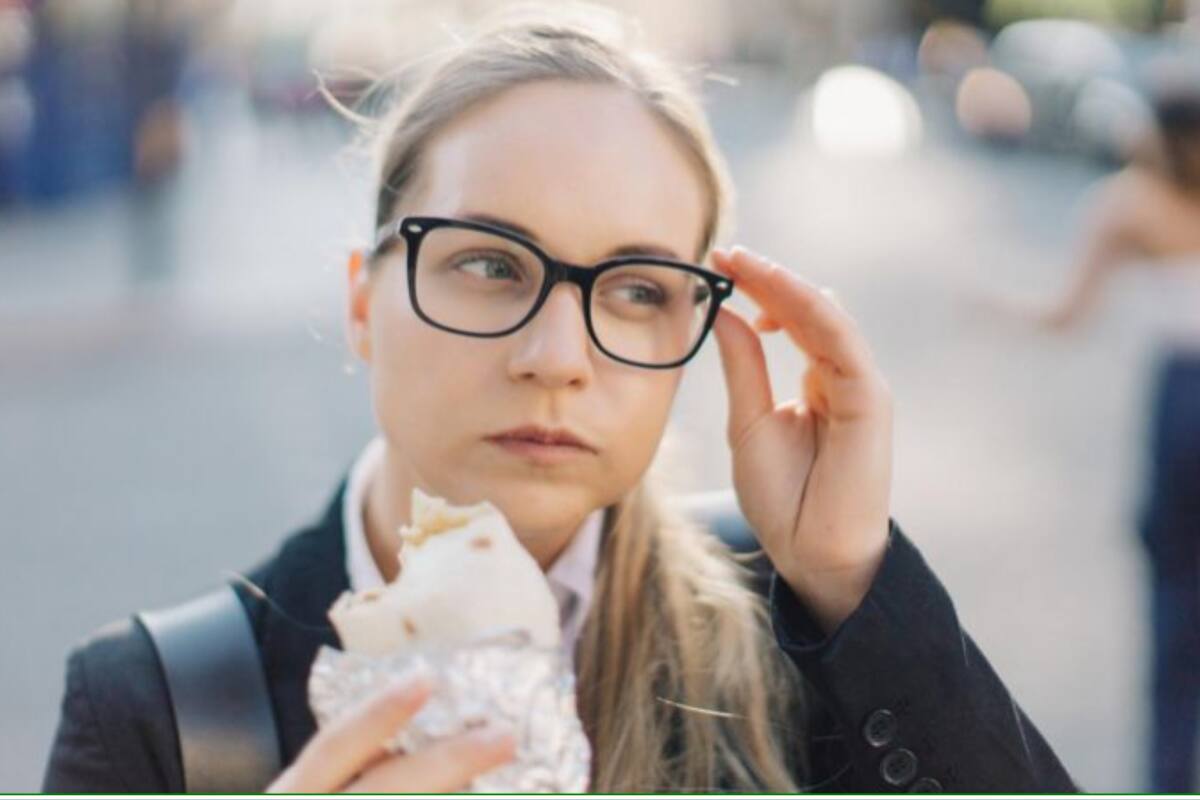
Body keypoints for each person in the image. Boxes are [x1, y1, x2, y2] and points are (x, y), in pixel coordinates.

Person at [41, 4, 1077, 793]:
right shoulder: (163, 708)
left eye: (635, 290)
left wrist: (854, 582)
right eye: (489, 264)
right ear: (364, 303)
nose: (555, 356)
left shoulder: (802, 630)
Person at [994, 70, 1200, 792]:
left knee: (1175, 598)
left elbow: (1066, 315)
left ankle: (1171, 778)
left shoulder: (1131, 203)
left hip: (1184, 401)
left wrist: (996, 307)